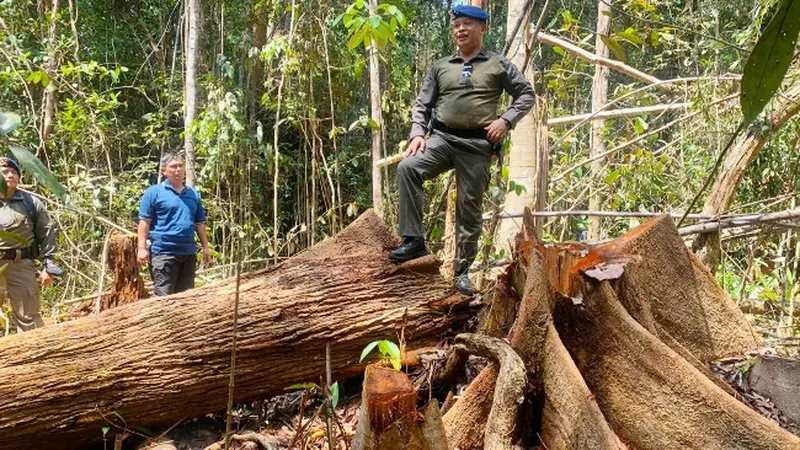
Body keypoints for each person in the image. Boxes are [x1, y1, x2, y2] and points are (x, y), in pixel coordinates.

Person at [390, 5, 534, 295]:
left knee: (469, 208)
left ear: (483, 28)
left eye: (468, 23)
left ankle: (462, 272)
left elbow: (526, 94)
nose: (460, 29)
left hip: (477, 145)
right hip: (441, 139)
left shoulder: (498, 64)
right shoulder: (441, 66)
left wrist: (506, 121)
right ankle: (414, 241)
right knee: (408, 168)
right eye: (457, 25)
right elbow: (423, 104)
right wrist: (418, 133)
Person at [0, 157, 63, 332]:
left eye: (14, 172)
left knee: (29, 316)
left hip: (20, 265)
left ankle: (36, 356)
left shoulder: (30, 203)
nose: (10, 175)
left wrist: (48, 264)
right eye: (5, 172)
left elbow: (47, 233)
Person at [137, 153, 211, 296]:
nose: (178, 170)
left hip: (188, 252)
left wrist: (206, 247)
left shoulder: (193, 194)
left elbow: (199, 223)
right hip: (163, 253)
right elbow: (144, 221)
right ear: (163, 171)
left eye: (180, 166)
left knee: (186, 297)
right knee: (164, 296)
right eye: (173, 167)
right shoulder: (154, 193)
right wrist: (141, 248)